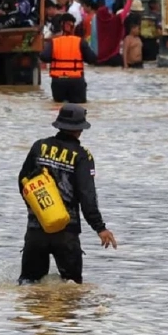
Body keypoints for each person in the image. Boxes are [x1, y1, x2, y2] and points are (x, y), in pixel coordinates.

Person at [17, 104, 117, 284]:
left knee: (29, 286)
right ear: (79, 129)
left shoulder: (39, 146)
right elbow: (87, 195)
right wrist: (99, 227)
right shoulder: (82, 155)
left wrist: (37, 209)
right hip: (66, 231)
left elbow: (22, 180)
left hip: (36, 229)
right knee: (72, 289)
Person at [42, 14, 96, 103]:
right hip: (76, 81)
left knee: (59, 107)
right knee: (79, 107)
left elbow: (44, 57)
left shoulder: (54, 42)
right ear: (73, 26)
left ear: (60, 26)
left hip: (58, 81)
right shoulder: (80, 42)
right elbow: (92, 59)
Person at [83, 0, 130, 67]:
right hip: (114, 57)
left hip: (100, 58)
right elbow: (124, 12)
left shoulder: (95, 21)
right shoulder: (113, 21)